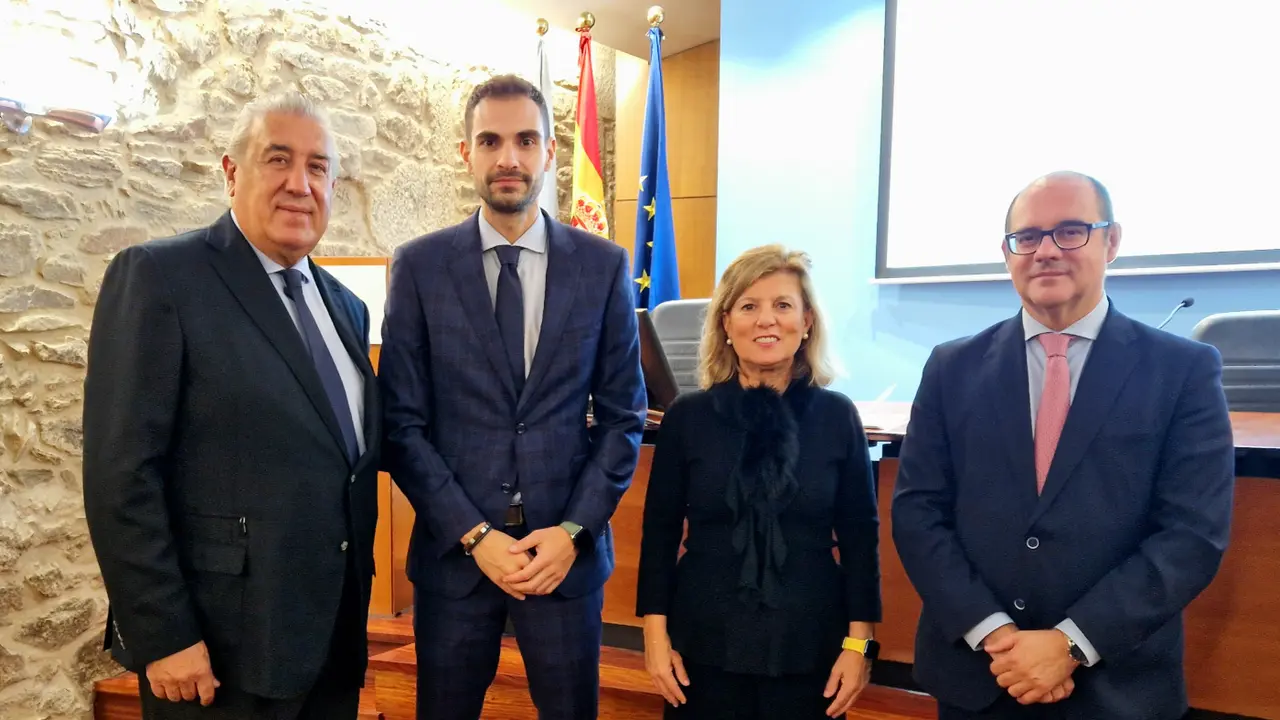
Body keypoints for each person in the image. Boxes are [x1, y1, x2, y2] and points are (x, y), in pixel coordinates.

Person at [891, 171, 1235, 719]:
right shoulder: (951, 367)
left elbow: (1192, 534)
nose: (1046, 251)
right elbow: (917, 512)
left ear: (1112, 241)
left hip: (1116, 685)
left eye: (1071, 231)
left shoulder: (1183, 370)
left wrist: (1072, 644)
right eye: (1027, 238)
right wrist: (995, 634)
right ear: (1008, 253)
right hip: (977, 677)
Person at [82, 91, 381, 719]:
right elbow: (121, 474)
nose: (301, 184)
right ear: (231, 171)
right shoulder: (162, 277)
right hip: (217, 655)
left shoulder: (345, 307)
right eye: (279, 159)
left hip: (329, 642)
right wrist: (163, 635)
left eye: (319, 166)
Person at [378, 73, 647, 720]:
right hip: (456, 561)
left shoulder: (602, 267)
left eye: (526, 140)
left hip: (564, 558)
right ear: (465, 152)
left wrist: (574, 531)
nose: (509, 158)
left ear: (550, 152)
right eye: (491, 141)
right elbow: (402, 426)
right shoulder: (418, 267)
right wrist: (475, 535)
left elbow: (623, 419)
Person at [636, 245, 882, 720]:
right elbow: (660, 533)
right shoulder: (688, 417)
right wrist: (654, 635)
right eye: (749, 306)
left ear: (807, 320)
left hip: (812, 643)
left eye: (783, 305)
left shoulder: (838, 416)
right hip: (700, 644)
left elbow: (860, 538)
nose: (766, 320)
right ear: (726, 324)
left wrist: (860, 644)